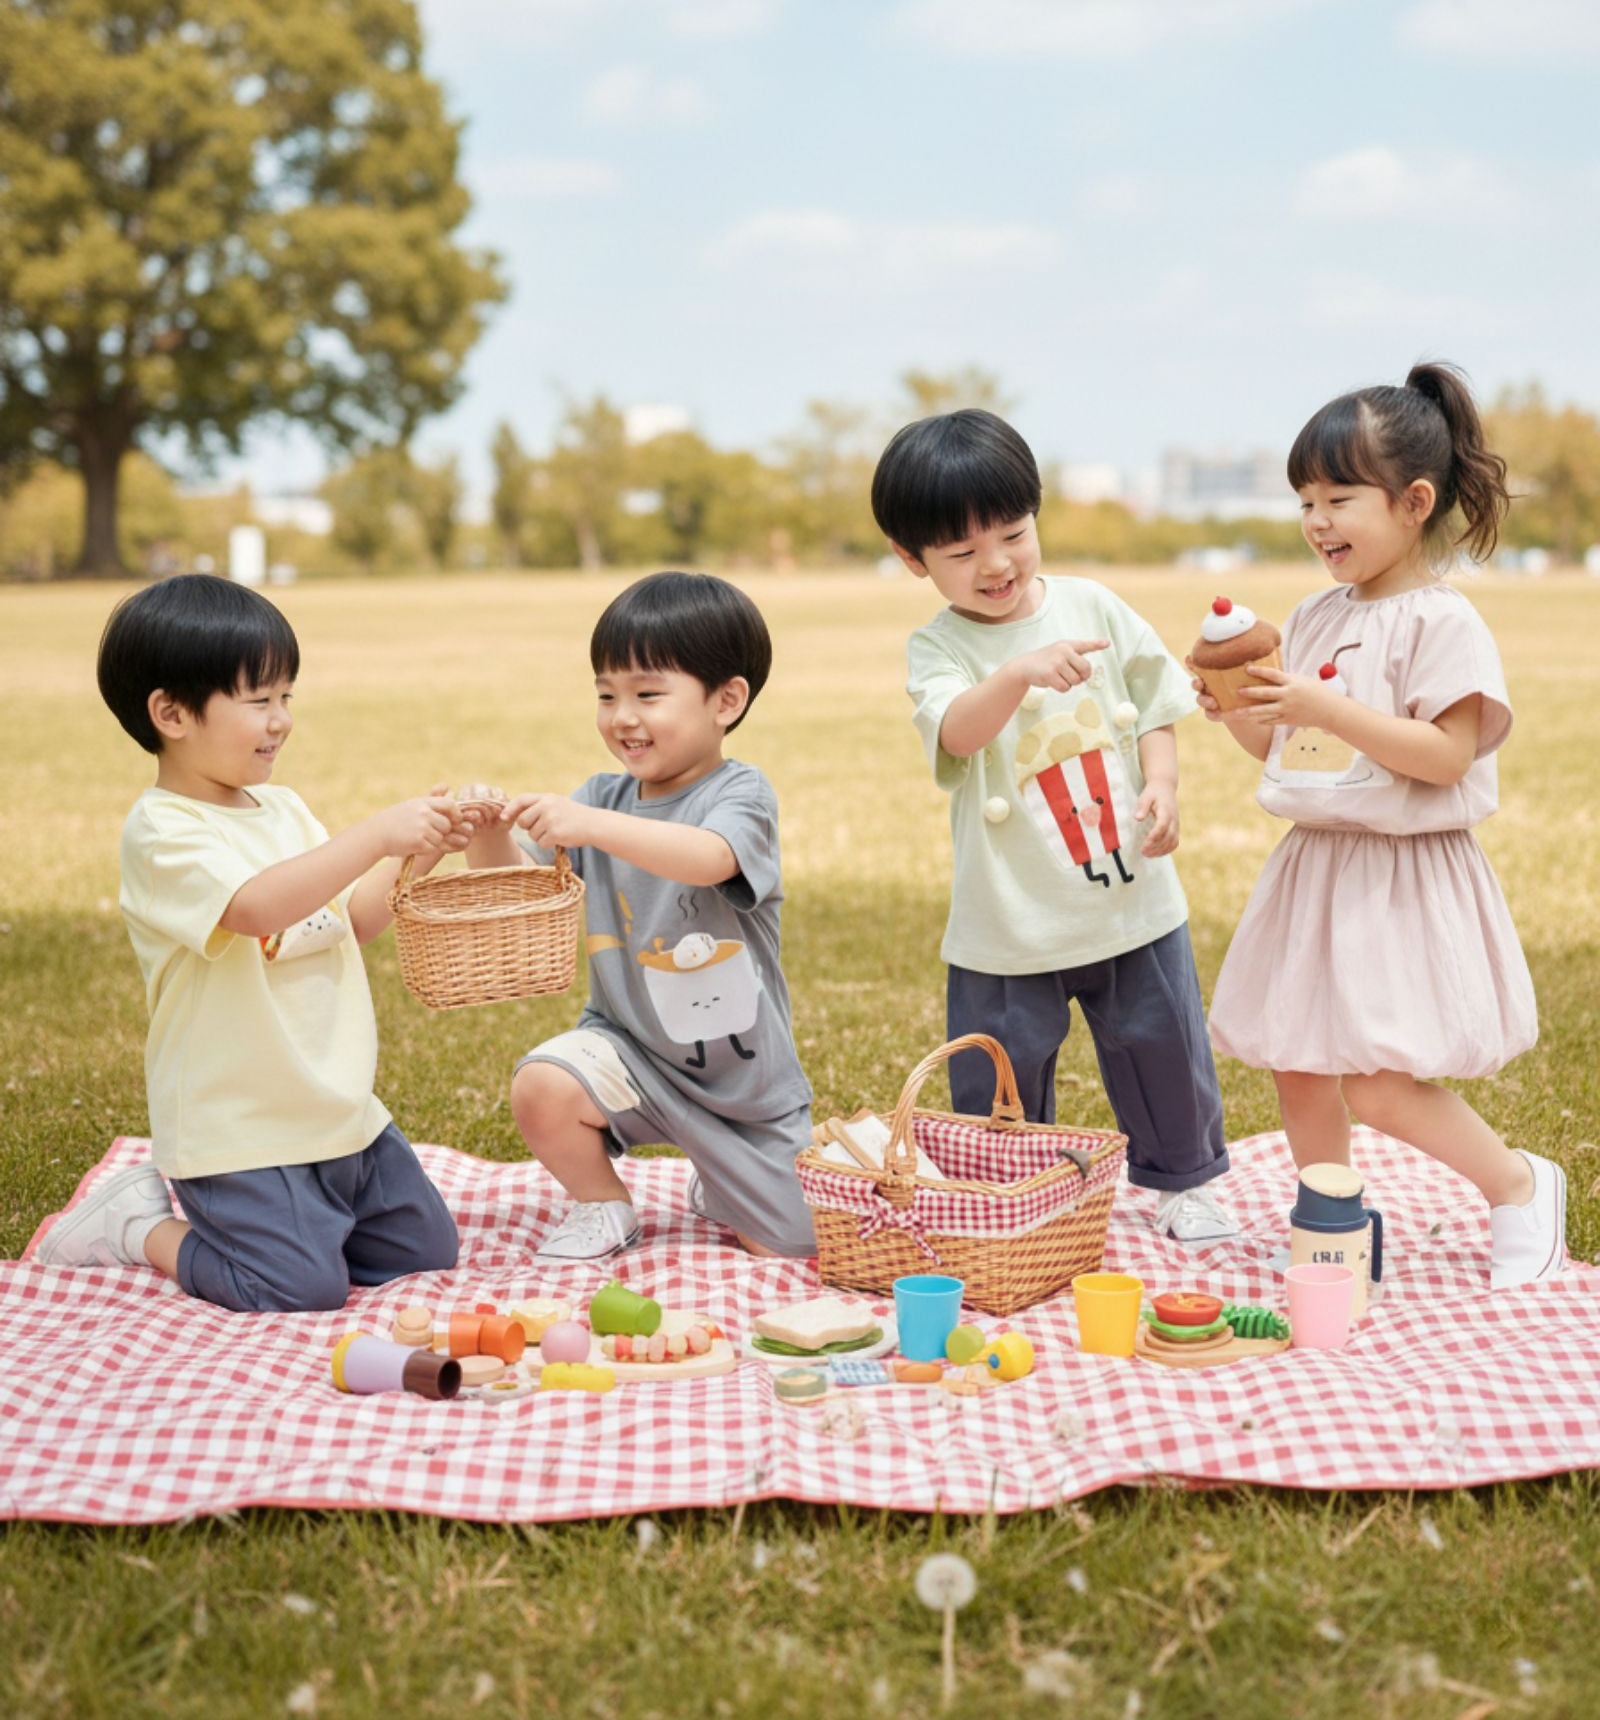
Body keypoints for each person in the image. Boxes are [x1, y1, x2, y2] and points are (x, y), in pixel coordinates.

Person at [1204, 362, 1564, 1289]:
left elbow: (1446, 755)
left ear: (1413, 501)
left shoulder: (1443, 623)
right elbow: (1287, 754)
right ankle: (1336, 1231)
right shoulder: (1314, 615)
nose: (1317, 521)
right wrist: (1239, 709)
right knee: (1297, 1062)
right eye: (1305, 501)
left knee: (1377, 1078)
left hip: (1401, 876)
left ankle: (1521, 1185)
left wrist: (1324, 713)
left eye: (1338, 498)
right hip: (1315, 868)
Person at [34, 574, 468, 1310]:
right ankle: (139, 1226)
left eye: (287, 697)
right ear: (171, 713)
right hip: (239, 1125)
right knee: (297, 1286)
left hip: (335, 1109)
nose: (282, 720)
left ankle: (307, 1215)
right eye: (258, 699)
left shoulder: (283, 810)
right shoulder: (164, 832)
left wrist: (419, 851)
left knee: (423, 1253)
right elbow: (255, 909)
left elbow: (349, 921)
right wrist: (374, 833)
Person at [871, 409, 1238, 1243]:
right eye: (962, 554)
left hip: (1127, 894)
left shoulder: (1093, 604)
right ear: (911, 558)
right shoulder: (937, 648)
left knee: (1162, 1048)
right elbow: (957, 732)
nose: (996, 564)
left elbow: (1153, 703)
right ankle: (1012, 1201)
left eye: (1013, 533)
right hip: (1010, 914)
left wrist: (1166, 784)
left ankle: (1184, 1182)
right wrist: (1017, 673)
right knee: (1004, 1069)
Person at [463, 571, 815, 1261]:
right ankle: (603, 1204)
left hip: (743, 1092)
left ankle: (721, 1179)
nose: (622, 715)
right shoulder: (601, 797)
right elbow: (514, 886)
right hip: (629, 1051)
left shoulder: (740, 792)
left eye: (648, 694)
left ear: (727, 700)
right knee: (543, 1085)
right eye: (606, 694)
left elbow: (709, 858)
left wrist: (591, 826)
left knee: (795, 1244)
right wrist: (485, 831)